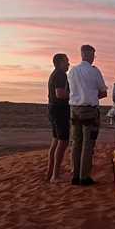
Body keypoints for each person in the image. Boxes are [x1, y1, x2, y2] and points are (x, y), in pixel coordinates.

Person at [67, 44, 108, 186]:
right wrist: (91, 95)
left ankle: (75, 174)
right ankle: (84, 176)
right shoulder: (94, 71)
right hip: (89, 110)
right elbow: (103, 91)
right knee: (87, 144)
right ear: (89, 55)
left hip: (74, 109)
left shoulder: (72, 71)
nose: (93, 58)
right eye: (93, 55)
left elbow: (71, 91)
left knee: (76, 143)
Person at [46, 53, 70, 182]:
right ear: (60, 62)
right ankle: (55, 175)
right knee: (63, 141)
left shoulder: (54, 74)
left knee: (55, 141)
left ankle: (50, 173)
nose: (68, 64)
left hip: (53, 110)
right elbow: (60, 94)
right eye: (66, 61)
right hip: (59, 111)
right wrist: (76, 95)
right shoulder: (60, 75)